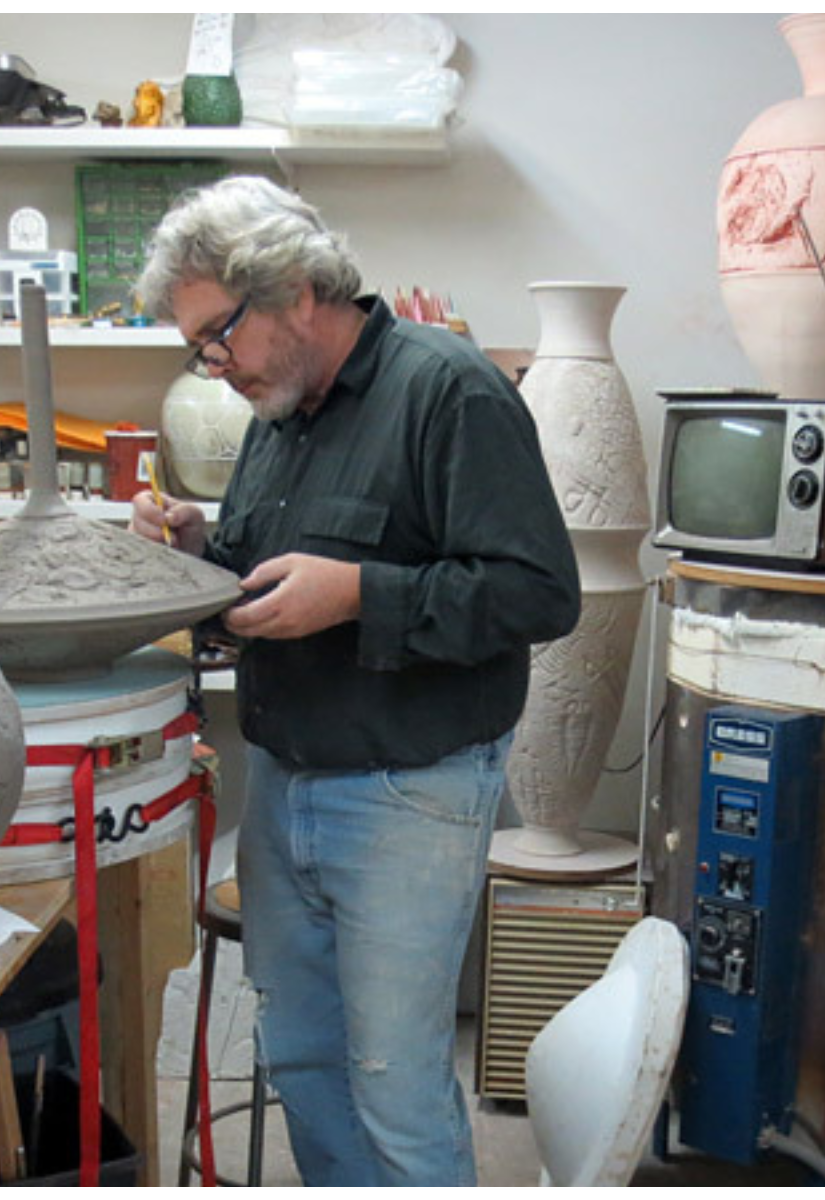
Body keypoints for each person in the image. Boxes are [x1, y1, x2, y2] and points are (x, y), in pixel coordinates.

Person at [130, 175, 580, 1187]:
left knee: (394, 1080)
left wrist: (360, 597)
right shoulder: (279, 409)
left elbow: (538, 595)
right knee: (305, 1060)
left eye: (218, 334)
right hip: (285, 782)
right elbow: (263, 562)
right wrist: (200, 545)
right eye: (195, 345)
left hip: (408, 789)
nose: (211, 364)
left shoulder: (449, 391)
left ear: (292, 289)